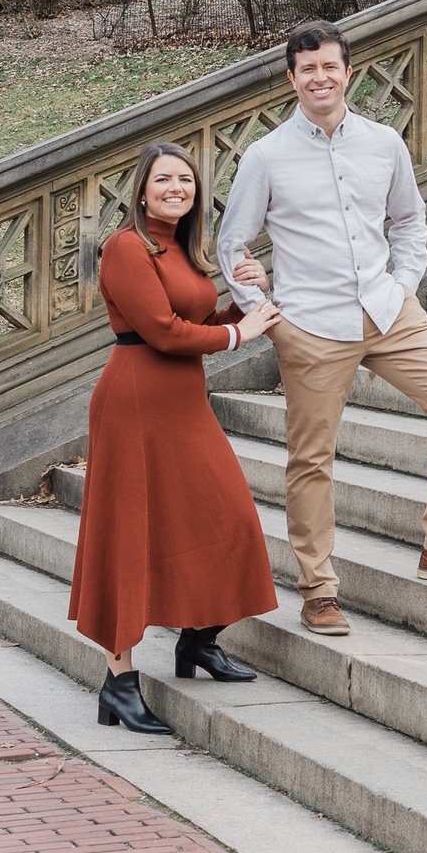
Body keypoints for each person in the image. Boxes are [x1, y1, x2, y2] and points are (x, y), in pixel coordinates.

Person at [217, 20, 427, 638]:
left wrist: (402, 285)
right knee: (311, 459)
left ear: (348, 72)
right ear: (291, 78)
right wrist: (264, 313)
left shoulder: (383, 144)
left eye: (329, 66)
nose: (319, 78)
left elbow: (408, 221)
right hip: (312, 326)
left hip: (387, 310)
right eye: (307, 69)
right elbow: (232, 241)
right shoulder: (267, 156)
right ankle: (319, 590)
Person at [68, 141, 284, 733]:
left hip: (182, 401)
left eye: (186, 181)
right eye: (164, 179)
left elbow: (198, 322)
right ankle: (119, 681)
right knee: (129, 532)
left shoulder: (186, 253)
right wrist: (240, 338)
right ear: (141, 189)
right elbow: (162, 332)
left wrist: (248, 294)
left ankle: (198, 639)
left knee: (227, 516)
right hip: (134, 401)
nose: (176, 188)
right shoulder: (125, 247)